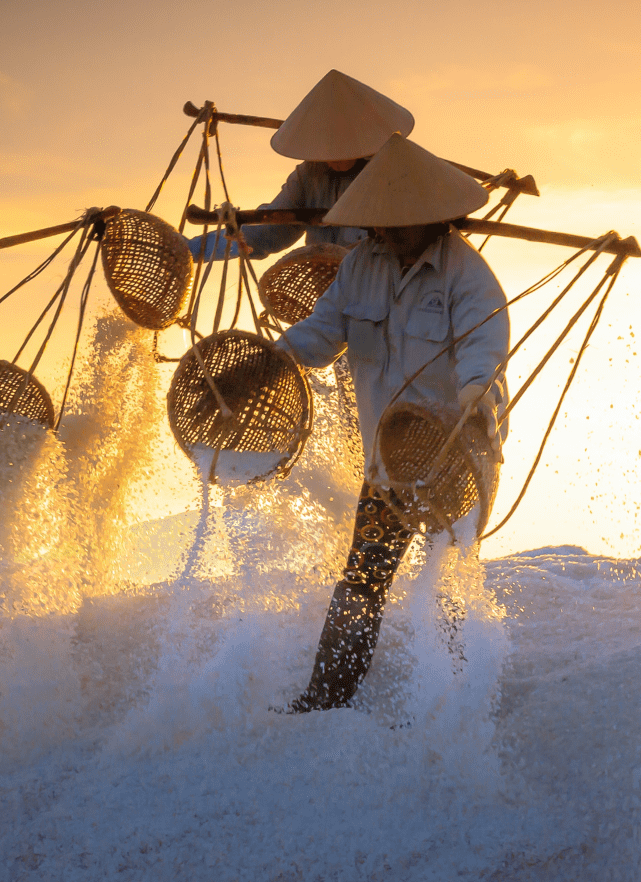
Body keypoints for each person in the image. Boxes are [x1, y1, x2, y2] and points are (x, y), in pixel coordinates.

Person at [273, 133, 509, 712]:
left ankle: (457, 705)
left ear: (435, 219)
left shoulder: (468, 277)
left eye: (398, 224)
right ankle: (326, 700)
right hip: (387, 462)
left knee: (447, 581)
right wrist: (278, 358)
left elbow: (485, 353)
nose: (385, 233)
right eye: (379, 223)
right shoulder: (361, 266)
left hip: (456, 455)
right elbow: (323, 331)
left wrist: (477, 399)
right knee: (361, 582)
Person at [187, 70, 414, 262]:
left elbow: (410, 243)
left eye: (342, 146)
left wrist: (349, 256)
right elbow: (268, 230)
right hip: (328, 295)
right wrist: (189, 251)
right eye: (326, 147)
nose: (333, 156)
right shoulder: (309, 175)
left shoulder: (396, 172)